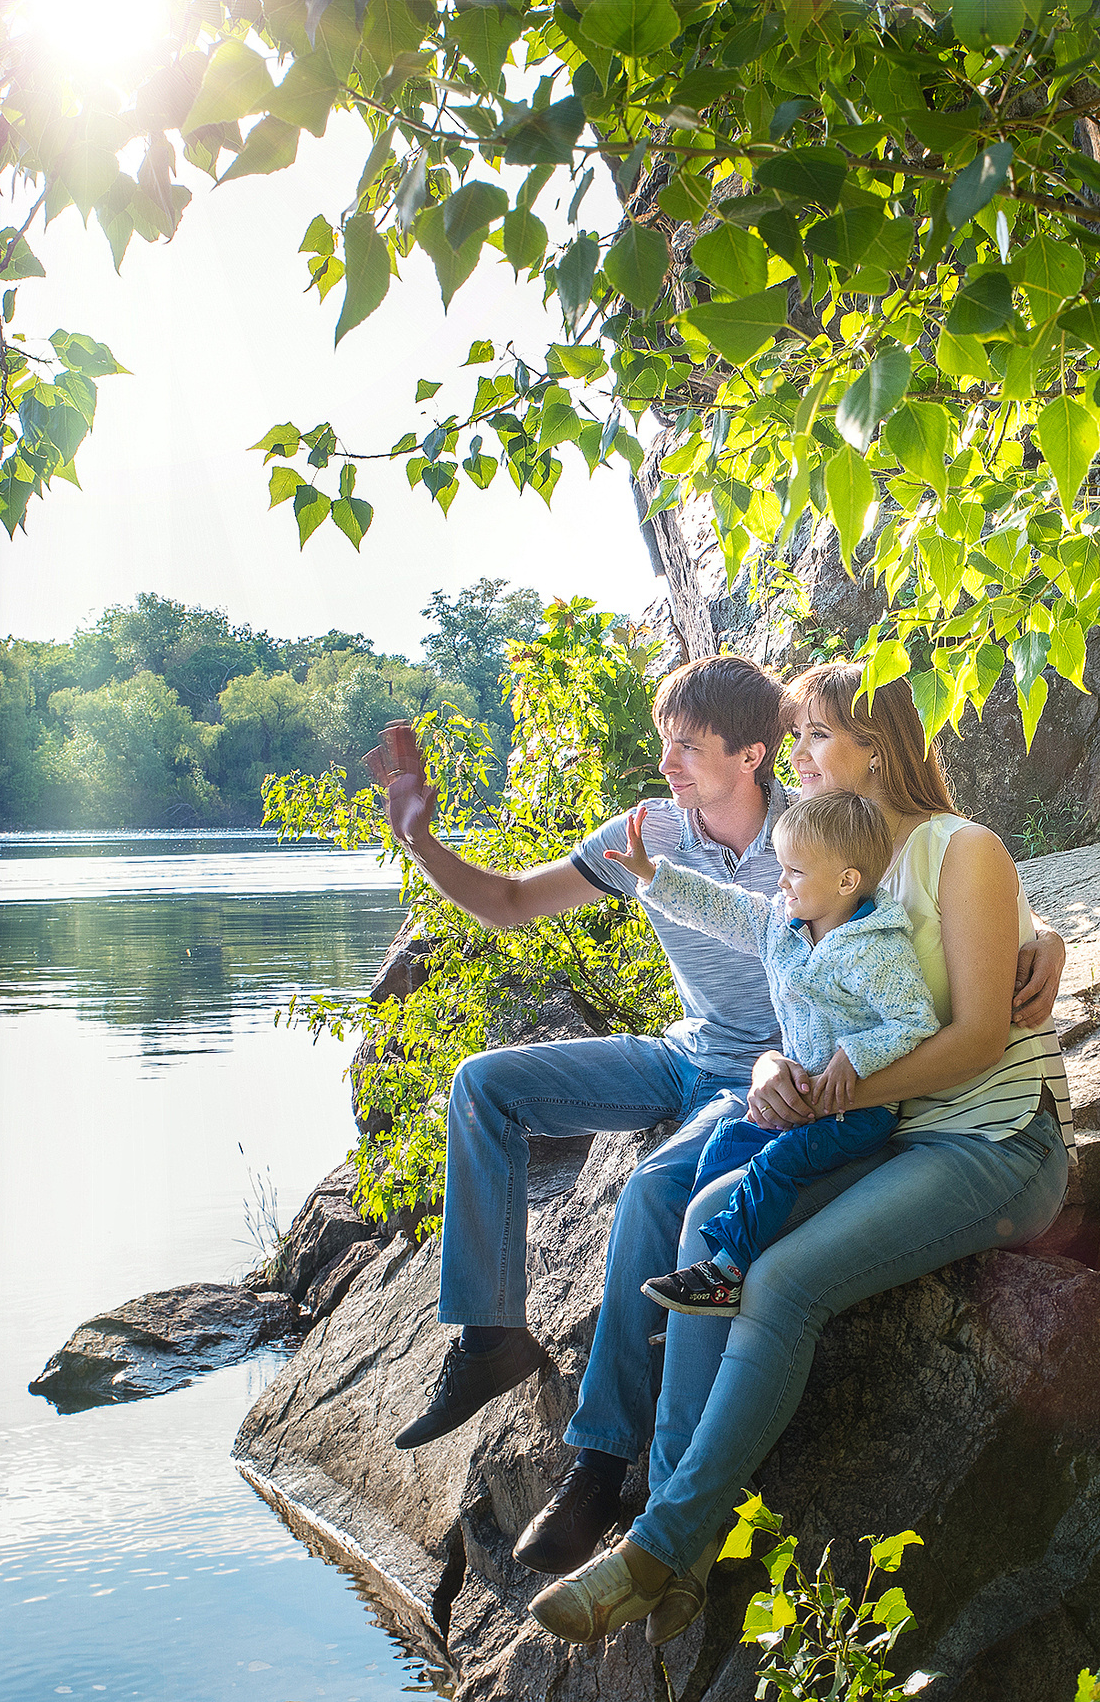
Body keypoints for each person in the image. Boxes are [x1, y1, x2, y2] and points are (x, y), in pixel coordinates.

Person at [531, 662, 1074, 1647]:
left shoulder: (961, 850)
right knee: (705, 1221)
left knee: (780, 1284)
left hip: (991, 1142)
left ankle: (655, 1550)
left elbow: (979, 1039)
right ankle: (676, 1504)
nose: (795, 755)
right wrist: (779, 1063)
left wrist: (827, 1089)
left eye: (815, 734)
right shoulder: (826, 860)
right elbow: (812, 997)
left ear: (875, 744)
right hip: (888, 1129)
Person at [366, 654, 797, 1578]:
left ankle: (599, 1464)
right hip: (684, 1052)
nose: (668, 761)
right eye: (663, 740)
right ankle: (491, 1336)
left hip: (761, 1076)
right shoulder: (648, 833)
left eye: (690, 745)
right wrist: (421, 841)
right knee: (484, 1082)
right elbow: (515, 903)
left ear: (754, 754)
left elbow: (930, 873)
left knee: (651, 1189)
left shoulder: (814, 833)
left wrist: (1032, 936)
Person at [595, 789, 936, 1316]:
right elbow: (721, 907)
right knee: (726, 1143)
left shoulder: (876, 948)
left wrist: (855, 1053)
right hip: (805, 1100)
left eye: (794, 872)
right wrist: (652, 875)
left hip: (860, 1113)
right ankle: (704, 1264)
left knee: (777, 1163)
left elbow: (915, 1020)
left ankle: (729, 1274)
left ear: (847, 881)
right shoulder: (783, 922)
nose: (780, 882)